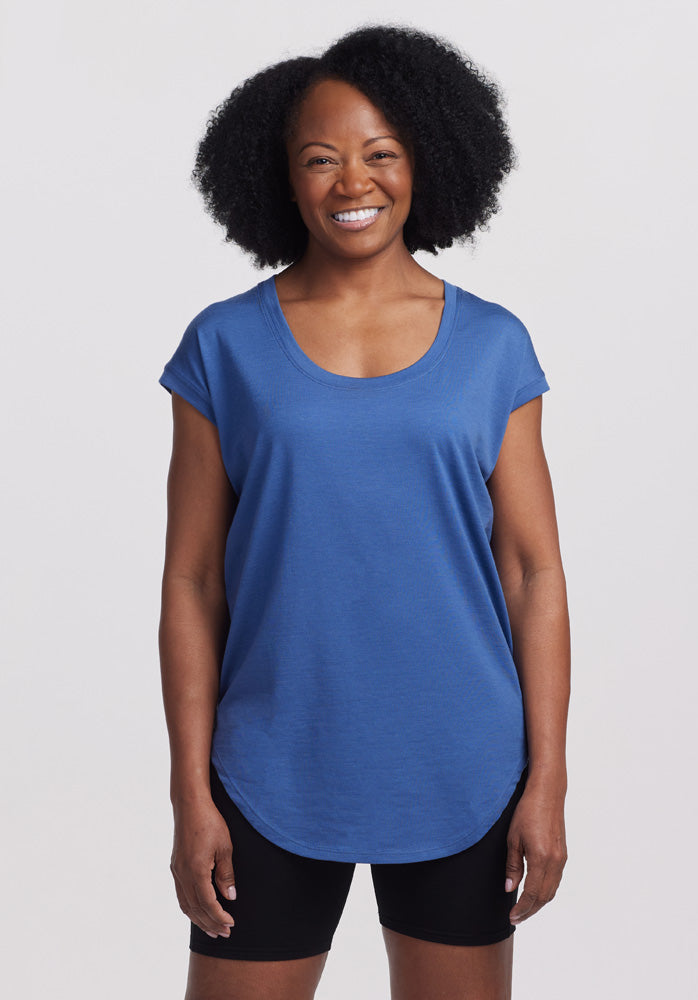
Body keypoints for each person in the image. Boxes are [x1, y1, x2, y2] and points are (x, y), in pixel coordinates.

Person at [157, 23, 570, 1000]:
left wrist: (546, 775)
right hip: (268, 764)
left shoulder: (492, 347)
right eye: (321, 159)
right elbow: (192, 577)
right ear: (282, 176)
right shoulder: (223, 347)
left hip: (462, 765)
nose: (353, 183)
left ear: (424, 159)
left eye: (380, 154)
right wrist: (188, 791)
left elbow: (533, 571)